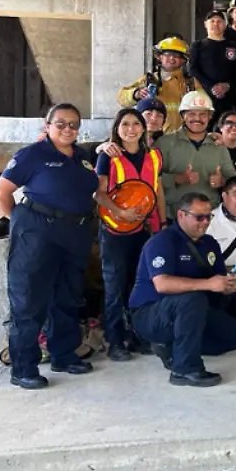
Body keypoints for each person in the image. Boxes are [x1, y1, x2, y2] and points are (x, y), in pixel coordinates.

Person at [0, 104, 101, 389]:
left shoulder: (81, 158)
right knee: (29, 298)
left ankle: (64, 355)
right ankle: (23, 367)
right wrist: (21, 221)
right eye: (61, 123)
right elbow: (3, 192)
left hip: (74, 232)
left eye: (73, 125)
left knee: (66, 296)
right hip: (38, 230)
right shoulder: (32, 155)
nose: (68, 129)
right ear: (48, 125)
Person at [129, 194, 236, 387]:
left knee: (234, 336)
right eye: (199, 217)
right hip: (151, 313)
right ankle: (185, 369)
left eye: (209, 216)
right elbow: (162, 284)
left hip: (189, 312)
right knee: (193, 298)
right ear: (181, 215)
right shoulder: (162, 242)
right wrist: (208, 284)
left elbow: (218, 280)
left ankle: (172, 347)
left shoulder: (209, 243)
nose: (205, 222)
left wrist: (231, 284)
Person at [93, 108, 167, 362]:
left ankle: (138, 335)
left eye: (136, 123)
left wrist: (163, 222)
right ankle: (115, 340)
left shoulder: (154, 156)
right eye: (125, 124)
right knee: (115, 285)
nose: (131, 128)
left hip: (145, 230)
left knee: (141, 285)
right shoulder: (108, 156)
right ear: (117, 128)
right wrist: (120, 213)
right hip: (115, 230)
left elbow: (158, 190)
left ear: (144, 128)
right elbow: (98, 193)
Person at [155, 91, 236, 215]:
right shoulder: (164, 143)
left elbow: (234, 181)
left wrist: (223, 182)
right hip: (174, 215)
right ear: (183, 116)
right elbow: (151, 179)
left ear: (210, 117)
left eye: (203, 114)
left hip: (210, 216)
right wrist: (177, 178)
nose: (197, 119)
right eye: (192, 114)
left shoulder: (219, 146)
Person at [118, 36, 192, 133]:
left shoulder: (190, 83)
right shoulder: (149, 80)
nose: (172, 58)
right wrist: (136, 94)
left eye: (177, 55)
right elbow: (121, 98)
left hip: (180, 139)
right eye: (167, 54)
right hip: (152, 137)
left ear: (183, 60)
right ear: (160, 57)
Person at [188, 9, 236, 121]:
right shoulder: (198, 45)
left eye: (219, 21)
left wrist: (227, 85)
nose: (215, 24)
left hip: (230, 97)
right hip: (204, 95)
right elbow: (192, 69)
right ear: (205, 24)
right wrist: (211, 86)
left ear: (225, 25)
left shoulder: (234, 46)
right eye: (212, 21)